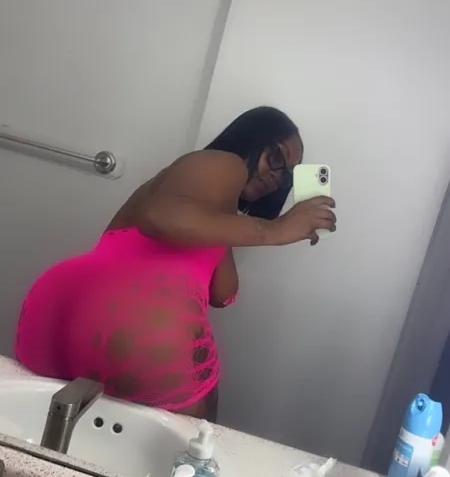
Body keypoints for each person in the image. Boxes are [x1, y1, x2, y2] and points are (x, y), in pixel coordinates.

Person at [15, 106, 336, 421]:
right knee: (189, 447)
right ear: (251, 137)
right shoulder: (225, 162)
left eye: (288, 175)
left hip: (58, 312)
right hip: (134, 323)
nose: (277, 177)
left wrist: (247, 231)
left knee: (44, 438)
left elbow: (222, 293)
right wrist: (277, 230)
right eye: (277, 157)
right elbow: (163, 218)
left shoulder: (205, 209)